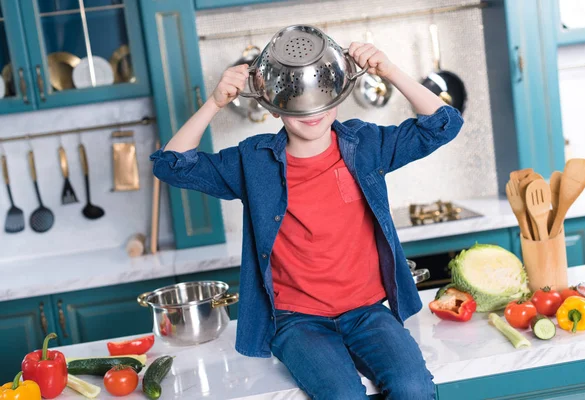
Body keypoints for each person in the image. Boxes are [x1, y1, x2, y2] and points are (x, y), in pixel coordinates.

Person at [151, 41, 464, 399]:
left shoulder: (365, 144)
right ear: (272, 108)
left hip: (367, 312)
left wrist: (390, 71)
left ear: (337, 97)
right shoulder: (253, 162)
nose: (310, 112)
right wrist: (215, 103)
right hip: (297, 322)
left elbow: (443, 125)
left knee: (413, 388)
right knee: (342, 395)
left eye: (320, 99)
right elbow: (171, 165)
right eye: (296, 105)